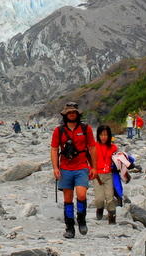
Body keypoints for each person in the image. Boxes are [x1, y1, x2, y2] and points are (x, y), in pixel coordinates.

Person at [51, 102, 97, 239]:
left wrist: (94, 167)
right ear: (65, 114)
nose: (72, 114)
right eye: (69, 112)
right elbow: (54, 149)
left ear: (78, 114)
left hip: (82, 166)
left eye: (74, 112)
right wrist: (55, 168)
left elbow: (92, 148)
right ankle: (69, 227)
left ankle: (81, 219)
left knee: (82, 195)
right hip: (65, 168)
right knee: (68, 198)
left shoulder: (85, 128)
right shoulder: (58, 131)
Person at [92, 125, 118, 224]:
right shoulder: (94, 146)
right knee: (99, 199)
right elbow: (89, 160)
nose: (104, 137)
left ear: (109, 136)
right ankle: (99, 209)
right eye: (101, 134)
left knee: (110, 198)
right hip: (97, 175)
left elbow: (117, 161)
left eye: (106, 135)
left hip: (108, 175)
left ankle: (112, 218)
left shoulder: (113, 147)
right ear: (98, 135)